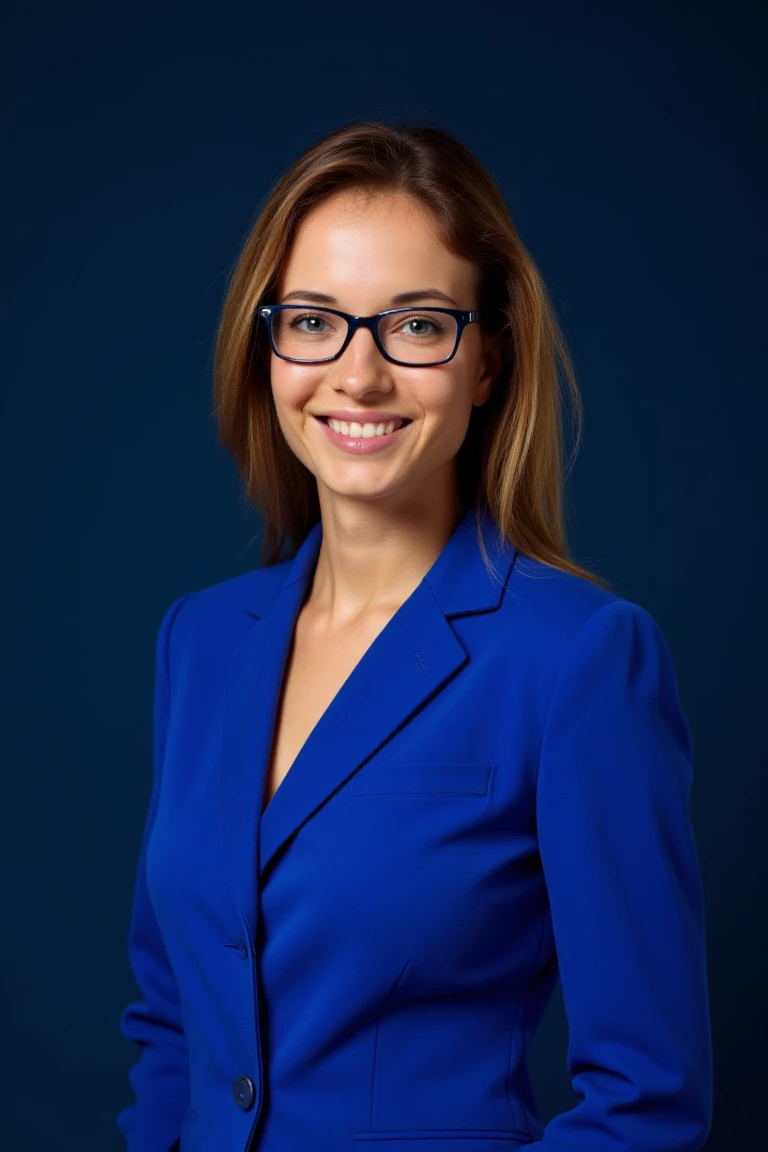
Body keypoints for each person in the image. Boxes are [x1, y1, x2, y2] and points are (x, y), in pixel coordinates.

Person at [116, 120, 713, 1152]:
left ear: (488, 361)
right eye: (314, 321)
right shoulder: (200, 641)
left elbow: (648, 1104)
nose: (358, 374)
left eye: (417, 325)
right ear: (268, 347)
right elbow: (175, 1022)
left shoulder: (580, 661)